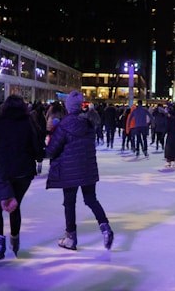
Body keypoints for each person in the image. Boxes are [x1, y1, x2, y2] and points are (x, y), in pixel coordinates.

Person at [45, 91, 114, 251]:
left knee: (69, 203)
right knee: (91, 199)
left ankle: (71, 238)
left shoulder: (64, 124)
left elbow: (52, 150)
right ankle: (105, 228)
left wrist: (48, 139)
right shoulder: (89, 123)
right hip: (88, 169)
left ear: (68, 107)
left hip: (69, 170)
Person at [0, 95, 44, 261]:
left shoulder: (0, 123)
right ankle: (15, 238)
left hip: (4, 173)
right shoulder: (29, 124)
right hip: (23, 173)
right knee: (15, 205)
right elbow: (37, 150)